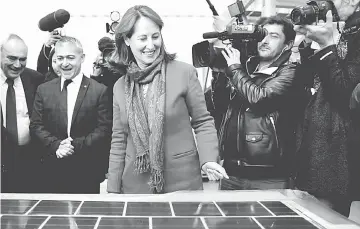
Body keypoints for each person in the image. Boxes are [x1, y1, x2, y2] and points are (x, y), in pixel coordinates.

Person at [106, 5, 228, 194]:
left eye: (155, 36)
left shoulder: (183, 73)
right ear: (127, 40)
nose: (151, 45)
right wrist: (112, 188)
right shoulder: (120, 86)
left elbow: (202, 122)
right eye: (142, 38)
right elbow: (119, 140)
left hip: (181, 181)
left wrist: (208, 159)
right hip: (135, 185)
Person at [212, 15, 297, 190]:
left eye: (274, 36)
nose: (265, 41)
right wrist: (222, 69)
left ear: (287, 45)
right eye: (263, 35)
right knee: (228, 218)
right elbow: (219, 104)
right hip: (231, 172)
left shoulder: (291, 72)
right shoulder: (244, 68)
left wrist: (235, 68)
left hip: (269, 176)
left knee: (270, 218)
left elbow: (259, 99)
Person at [294, 0, 360, 217]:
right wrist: (305, 43)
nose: (326, 4)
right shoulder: (343, 29)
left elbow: (343, 93)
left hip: (334, 156)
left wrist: (326, 46)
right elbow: (304, 85)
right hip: (313, 143)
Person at [30, 36, 112, 194]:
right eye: (60, 58)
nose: (64, 63)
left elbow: (104, 128)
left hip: (85, 171)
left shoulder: (99, 90)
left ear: (82, 58)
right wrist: (56, 145)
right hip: (51, 169)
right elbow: (36, 125)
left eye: (70, 57)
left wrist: (74, 145)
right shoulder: (44, 89)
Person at [0, 34, 44, 193]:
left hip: (29, 162)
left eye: (22, 59)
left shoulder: (36, 79)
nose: (17, 65)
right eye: (11, 58)